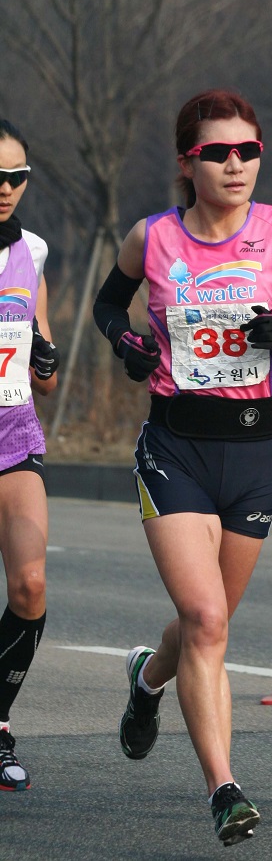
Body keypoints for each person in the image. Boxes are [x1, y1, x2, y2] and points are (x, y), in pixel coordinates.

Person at [92, 88, 272, 846]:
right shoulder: (153, 238)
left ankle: (146, 680)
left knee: (209, 625)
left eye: (248, 151)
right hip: (175, 448)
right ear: (187, 162)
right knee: (205, 620)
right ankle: (224, 788)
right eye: (217, 153)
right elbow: (109, 307)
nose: (235, 165)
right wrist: (126, 344)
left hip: (254, 452)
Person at [0, 119, 60, 791]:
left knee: (30, 586)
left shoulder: (32, 251)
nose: (7, 189)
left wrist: (45, 356)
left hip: (13, 439)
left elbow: (42, 369)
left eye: (18, 177)